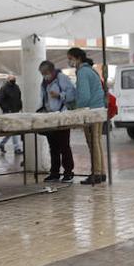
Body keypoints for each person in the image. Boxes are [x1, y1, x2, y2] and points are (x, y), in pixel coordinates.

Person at [67, 47, 106, 184]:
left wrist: (76, 109)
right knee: (97, 142)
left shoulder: (83, 72)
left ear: (77, 58)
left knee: (93, 143)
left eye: (70, 59)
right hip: (99, 109)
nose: (69, 62)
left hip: (91, 112)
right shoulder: (91, 70)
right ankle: (101, 172)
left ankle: (95, 173)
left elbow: (84, 96)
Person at [38, 60, 77, 182]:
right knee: (53, 146)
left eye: (45, 73)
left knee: (64, 145)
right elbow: (43, 98)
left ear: (51, 70)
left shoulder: (62, 78)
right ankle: (54, 172)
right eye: (42, 73)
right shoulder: (44, 82)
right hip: (50, 117)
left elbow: (72, 94)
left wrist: (59, 95)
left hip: (62, 116)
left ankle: (68, 171)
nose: (44, 75)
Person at [0, 75, 23, 155]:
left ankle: (1, 143)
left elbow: (19, 98)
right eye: (11, 79)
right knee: (14, 130)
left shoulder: (16, 87)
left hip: (16, 111)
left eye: (14, 79)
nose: (13, 80)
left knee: (11, 130)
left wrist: (20, 107)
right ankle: (17, 148)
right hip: (9, 112)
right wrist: (6, 109)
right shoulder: (4, 88)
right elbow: (0, 101)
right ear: (8, 80)